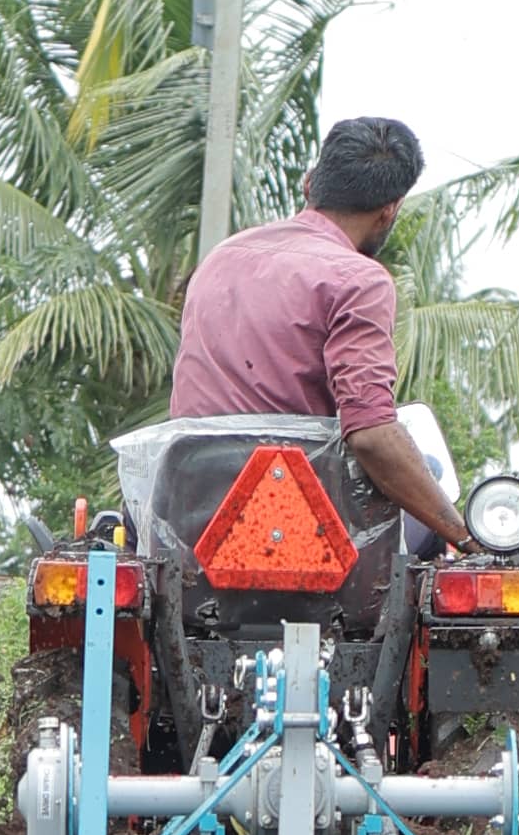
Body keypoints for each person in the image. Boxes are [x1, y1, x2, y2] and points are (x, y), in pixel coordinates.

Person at [169, 116, 471, 550]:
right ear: (390, 210)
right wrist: (465, 535)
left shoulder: (220, 258)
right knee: (429, 483)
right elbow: (370, 434)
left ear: (310, 183)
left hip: (191, 501)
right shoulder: (358, 278)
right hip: (298, 514)